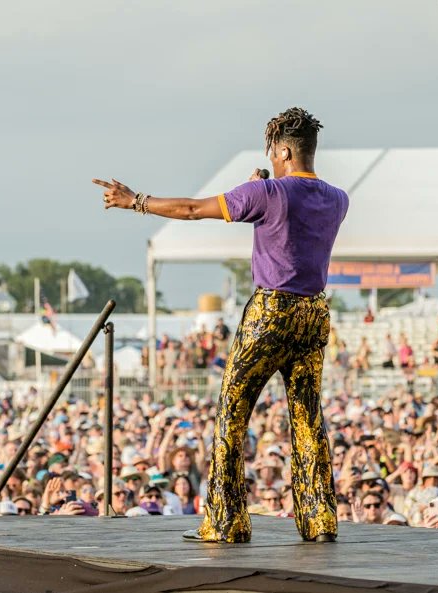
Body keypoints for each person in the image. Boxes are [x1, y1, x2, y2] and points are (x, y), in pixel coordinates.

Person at [94, 107, 347, 544]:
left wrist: (136, 200)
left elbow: (194, 209)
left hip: (271, 311)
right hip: (314, 314)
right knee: (308, 417)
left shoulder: (269, 192)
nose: (271, 159)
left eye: (273, 152)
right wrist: (259, 189)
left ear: (284, 151)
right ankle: (319, 520)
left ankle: (226, 521)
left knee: (232, 412)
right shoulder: (338, 198)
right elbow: (290, 223)